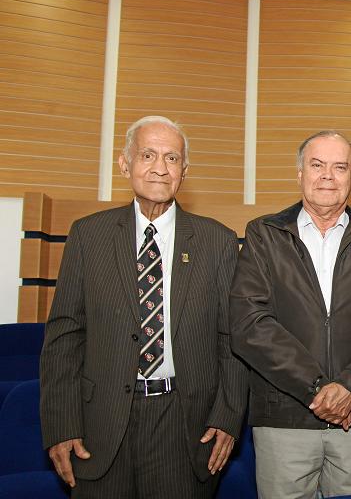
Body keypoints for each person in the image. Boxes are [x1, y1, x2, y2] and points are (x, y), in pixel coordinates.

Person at [39, 116, 249, 498]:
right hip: (98, 425)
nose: (159, 167)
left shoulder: (217, 241)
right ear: (125, 164)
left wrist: (228, 417)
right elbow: (64, 337)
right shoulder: (88, 235)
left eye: (172, 158)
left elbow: (232, 341)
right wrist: (60, 425)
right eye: (147, 154)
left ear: (184, 171)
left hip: (185, 427)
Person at [229, 130, 351, 499]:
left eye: (339, 167)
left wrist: (348, 388)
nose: (327, 175)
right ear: (299, 173)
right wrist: (318, 388)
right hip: (285, 418)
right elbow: (250, 323)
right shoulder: (264, 235)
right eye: (317, 165)